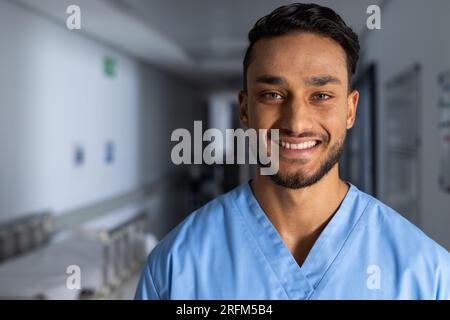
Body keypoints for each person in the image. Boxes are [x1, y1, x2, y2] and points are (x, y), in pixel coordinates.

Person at [135, 3, 450, 299]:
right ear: (245, 109)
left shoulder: (427, 274)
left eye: (321, 95)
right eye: (272, 94)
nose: (296, 122)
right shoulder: (175, 268)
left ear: (351, 109)